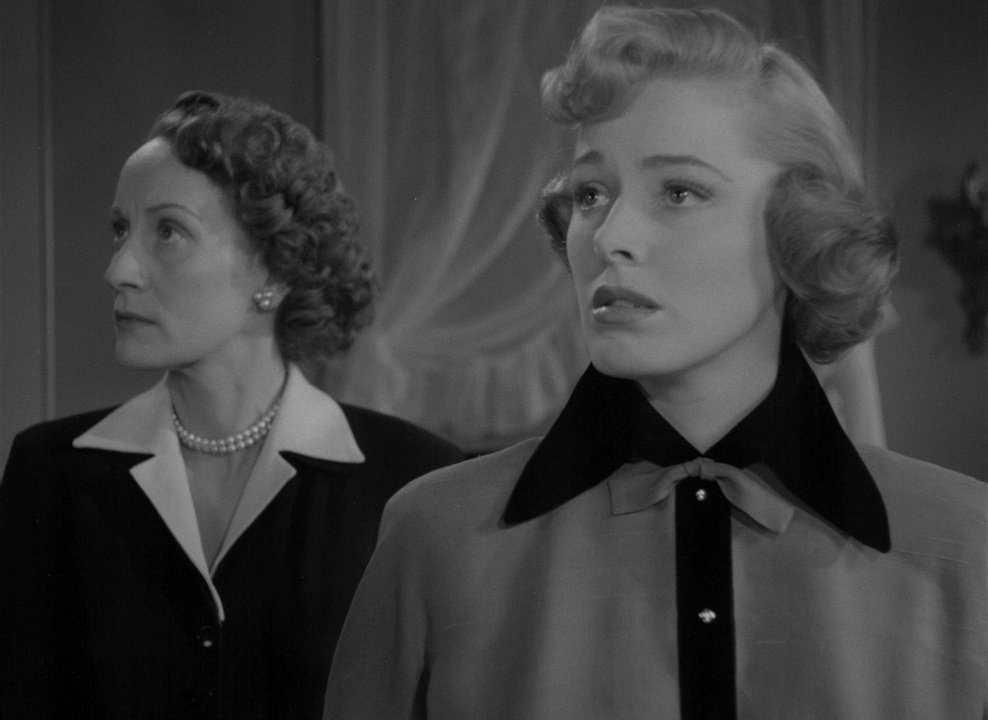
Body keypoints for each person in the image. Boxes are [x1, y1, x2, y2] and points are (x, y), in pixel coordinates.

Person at [324, 6, 986, 719]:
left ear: (801, 228)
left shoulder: (967, 546)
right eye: (590, 194)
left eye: (679, 192)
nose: (610, 236)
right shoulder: (434, 534)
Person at [0, 90, 462, 719]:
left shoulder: (412, 479)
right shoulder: (50, 472)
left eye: (168, 231)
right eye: (120, 230)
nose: (118, 269)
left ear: (273, 270)